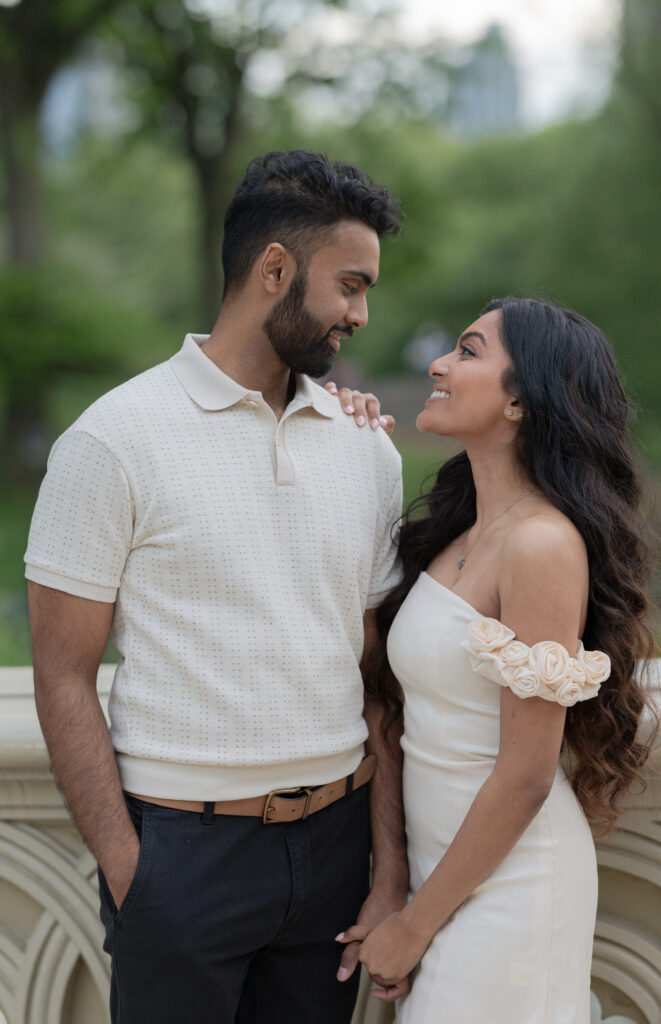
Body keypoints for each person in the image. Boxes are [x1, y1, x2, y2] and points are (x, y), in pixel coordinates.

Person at [24, 149, 410, 1024]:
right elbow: (62, 675)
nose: (358, 313)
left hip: (336, 853)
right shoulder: (113, 440)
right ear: (274, 268)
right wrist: (135, 874)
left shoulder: (368, 450)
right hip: (182, 856)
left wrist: (386, 872)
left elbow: (376, 677)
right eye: (349, 285)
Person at [335, 297, 658, 1022]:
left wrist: (414, 927)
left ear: (521, 399)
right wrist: (394, 886)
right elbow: (390, 711)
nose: (438, 365)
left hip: (512, 892)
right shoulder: (454, 535)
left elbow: (524, 775)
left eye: (468, 351)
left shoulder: (540, 546)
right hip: (436, 880)